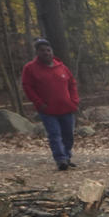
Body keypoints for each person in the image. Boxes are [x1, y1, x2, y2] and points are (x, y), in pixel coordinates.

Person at [21, 38, 78, 171]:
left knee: (68, 135)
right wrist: (39, 103)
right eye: (42, 51)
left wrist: (74, 101)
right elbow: (27, 87)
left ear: (52, 51)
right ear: (37, 53)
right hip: (47, 110)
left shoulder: (61, 67)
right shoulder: (30, 68)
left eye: (48, 50)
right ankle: (60, 160)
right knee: (55, 135)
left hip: (66, 108)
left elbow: (72, 84)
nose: (46, 53)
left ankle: (67, 157)